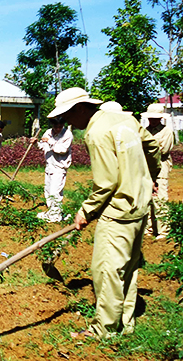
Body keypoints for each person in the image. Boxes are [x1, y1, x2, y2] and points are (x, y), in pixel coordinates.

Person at [48, 87, 160, 338]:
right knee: (128, 269)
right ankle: (125, 324)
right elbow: (151, 147)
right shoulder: (125, 119)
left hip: (118, 210)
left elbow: (106, 182)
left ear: (80, 108)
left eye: (67, 114)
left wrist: (85, 210)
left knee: (106, 270)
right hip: (140, 205)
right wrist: (149, 177)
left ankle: (104, 330)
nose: (66, 121)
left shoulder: (96, 133)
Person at [142, 103, 175, 239]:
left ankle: (163, 231)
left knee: (160, 199)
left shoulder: (166, 132)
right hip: (146, 169)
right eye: (151, 118)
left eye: (155, 118)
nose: (153, 120)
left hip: (161, 168)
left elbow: (163, 150)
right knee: (146, 199)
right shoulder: (145, 130)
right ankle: (149, 229)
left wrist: (147, 150)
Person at [33, 118, 73, 222]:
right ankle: (51, 212)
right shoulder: (48, 132)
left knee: (55, 192)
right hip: (49, 165)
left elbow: (62, 150)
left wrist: (50, 141)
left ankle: (55, 216)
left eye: (60, 127)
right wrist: (36, 143)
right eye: (55, 127)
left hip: (59, 167)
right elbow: (43, 146)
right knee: (48, 191)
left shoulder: (67, 135)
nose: (58, 129)